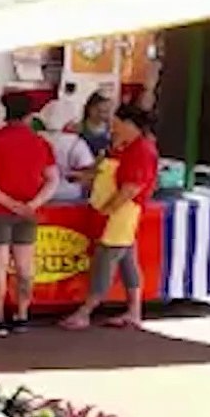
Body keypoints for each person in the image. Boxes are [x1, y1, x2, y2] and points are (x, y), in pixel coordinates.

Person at [62, 104, 159, 331]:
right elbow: (103, 173)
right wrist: (81, 177)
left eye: (116, 124)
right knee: (128, 263)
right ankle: (134, 311)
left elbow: (131, 188)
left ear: (130, 125)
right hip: (116, 214)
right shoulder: (124, 147)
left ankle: (85, 311)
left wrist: (108, 208)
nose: (112, 128)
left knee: (105, 261)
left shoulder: (141, 150)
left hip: (119, 215)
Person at [0, 91, 60, 334]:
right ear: (31, 115)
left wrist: (8, 203)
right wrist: (32, 204)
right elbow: (53, 180)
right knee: (25, 267)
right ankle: (22, 313)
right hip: (29, 211)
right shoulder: (41, 143)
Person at [36, 98, 95, 201]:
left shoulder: (36, 139)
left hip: (40, 194)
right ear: (69, 123)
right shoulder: (76, 143)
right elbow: (88, 172)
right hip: (69, 196)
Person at [79, 91, 115, 159]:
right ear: (89, 108)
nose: (102, 115)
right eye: (99, 110)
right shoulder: (78, 128)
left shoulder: (112, 130)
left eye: (106, 111)